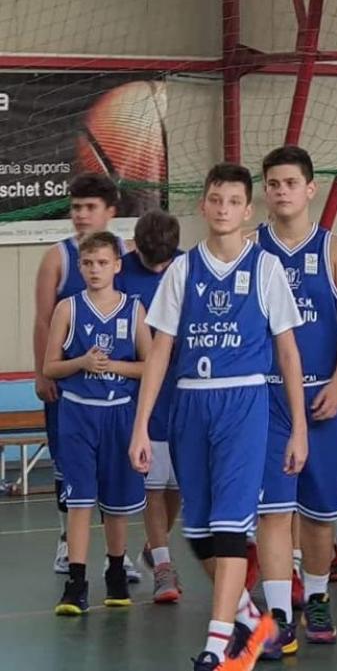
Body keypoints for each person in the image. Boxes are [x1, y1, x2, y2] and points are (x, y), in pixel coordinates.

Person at [129, 163, 308, 671]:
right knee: (200, 532)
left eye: (233, 201)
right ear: (203, 205)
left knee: (230, 529)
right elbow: (160, 351)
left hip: (243, 401)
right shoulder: (183, 270)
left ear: (247, 210)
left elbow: (288, 352)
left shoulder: (265, 268)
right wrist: (141, 425)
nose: (223, 209)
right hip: (189, 404)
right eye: (216, 199)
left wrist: (298, 427)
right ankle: (250, 617)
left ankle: (219, 644)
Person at [255, 146, 337, 656]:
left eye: (290, 183)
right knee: (273, 512)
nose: (282, 191)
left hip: (322, 393)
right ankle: (279, 615)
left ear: (310, 189)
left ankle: (317, 597)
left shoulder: (334, 251)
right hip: (267, 398)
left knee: (320, 512)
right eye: (274, 183)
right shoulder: (251, 249)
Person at [34, 173, 140, 581]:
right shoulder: (58, 257)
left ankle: (119, 556)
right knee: (70, 468)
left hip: (119, 393)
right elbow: (43, 320)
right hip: (72, 385)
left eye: (89, 207)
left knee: (118, 474)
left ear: (110, 211)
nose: (80, 215)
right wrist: (43, 372)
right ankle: (67, 543)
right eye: (75, 207)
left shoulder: (128, 256)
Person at [44, 231, 151, 614]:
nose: (95, 269)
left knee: (117, 503)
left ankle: (116, 572)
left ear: (117, 266)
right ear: (80, 267)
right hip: (78, 413)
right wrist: (82, 362)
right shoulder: (67, 309)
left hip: (119, 413)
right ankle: (76, 582)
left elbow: (150, 366)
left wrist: (114, 366)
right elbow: (50, 367)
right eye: (88, 263)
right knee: (80, 500)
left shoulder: (133, 309)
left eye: (102, 262)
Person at [117, 209, 183, 603]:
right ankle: (162, 564)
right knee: (153, 482)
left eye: (164, 262)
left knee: (178, 484)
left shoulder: (190, 267)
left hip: (187, 389)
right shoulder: (121, 272)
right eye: (150, 262)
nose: (158, 269)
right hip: (143, 392)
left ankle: (155, 546)